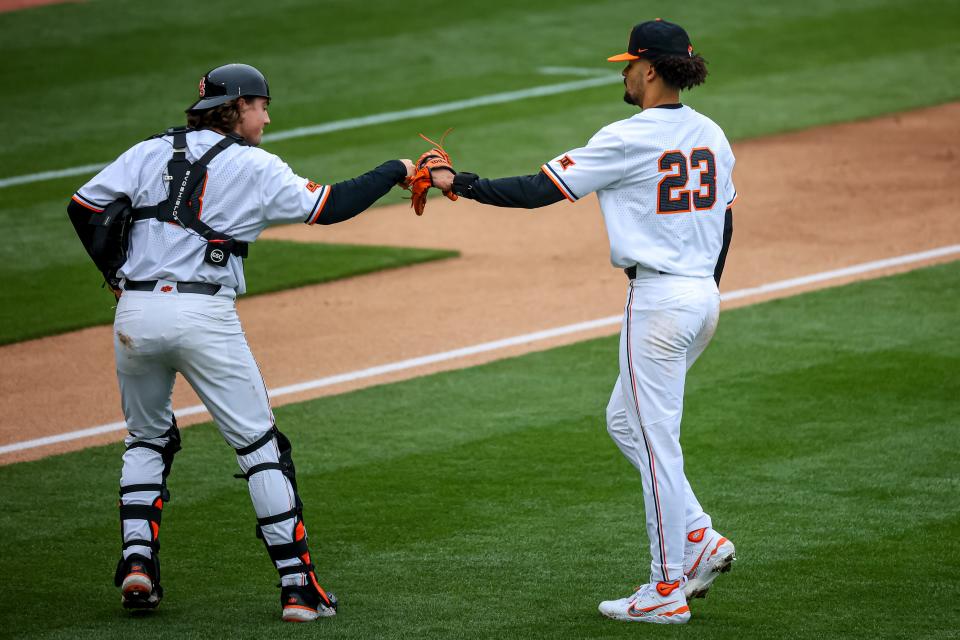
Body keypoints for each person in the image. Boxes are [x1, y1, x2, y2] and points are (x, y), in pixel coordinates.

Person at [67, 63, 416, 623]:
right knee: (260, 447)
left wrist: (114, 273)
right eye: (262, 106)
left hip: (135, 311)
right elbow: (328, 206)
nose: (268, 117)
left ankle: (138, 563)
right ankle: (298, 588)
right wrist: (394, 168)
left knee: (146, 436)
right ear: (239, 107)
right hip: (203, 311)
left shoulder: (147, 150)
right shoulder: (254, 165)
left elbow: (83, 208)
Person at [432, 19, 737, 625]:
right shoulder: (712, 134)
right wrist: (700, 288)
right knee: (626, 422)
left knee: (656, 447)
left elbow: (536, 189)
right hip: (702, 297)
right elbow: (725, 222)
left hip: (659, 305)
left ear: (650, 70)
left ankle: (665, 589)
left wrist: (456, 181)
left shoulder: (628, 136)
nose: (623, 73)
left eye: (628, 64)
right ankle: (699, 536)